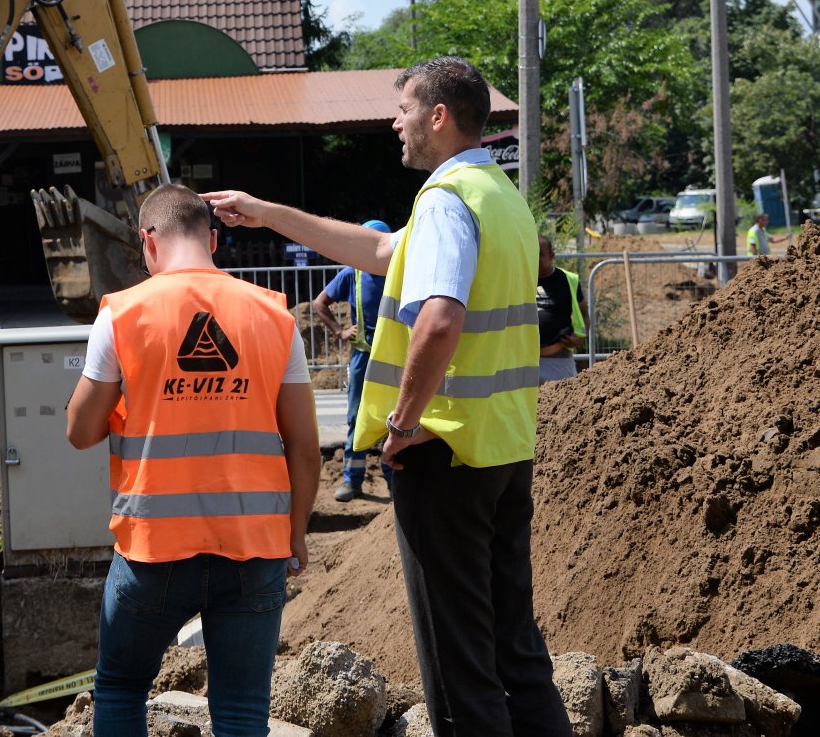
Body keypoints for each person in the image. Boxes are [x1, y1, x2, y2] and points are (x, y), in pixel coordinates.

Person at [203, 56, 571, 737]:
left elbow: (439, 318)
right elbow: (377, 254)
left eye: (403, 109)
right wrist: (267, 213)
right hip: (502, 450)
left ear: (438, 116)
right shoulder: (498, 196)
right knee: (515, 651)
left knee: (462, 673)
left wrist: (403, 421)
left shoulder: (445, 201)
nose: (394, 123)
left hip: (443, 454)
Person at [66, 184, 321, 737]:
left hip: (153, 549)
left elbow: (80, 432)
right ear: (212, 239)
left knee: (120, 688)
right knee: (241, 710)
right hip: (254, 546)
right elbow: (304, 446)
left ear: (147, 242)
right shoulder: (274, 316)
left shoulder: (122, 316)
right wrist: (295, 532)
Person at [307, 220, 393, 500]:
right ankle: (352, 481)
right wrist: (340, 331)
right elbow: (319, 303)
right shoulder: (352, 274)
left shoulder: (399, 270)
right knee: (357, 417)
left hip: (394, 358)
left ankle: (395, 483)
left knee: (395, 418)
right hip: (363, 358)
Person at [534, 236, 587, 384]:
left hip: (559, 364)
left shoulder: (567, 280)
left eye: (539, 254)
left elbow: (585, 315)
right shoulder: (521, 279)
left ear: (551, 256)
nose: (534, 258)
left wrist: (580, 338)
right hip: (525, 363)